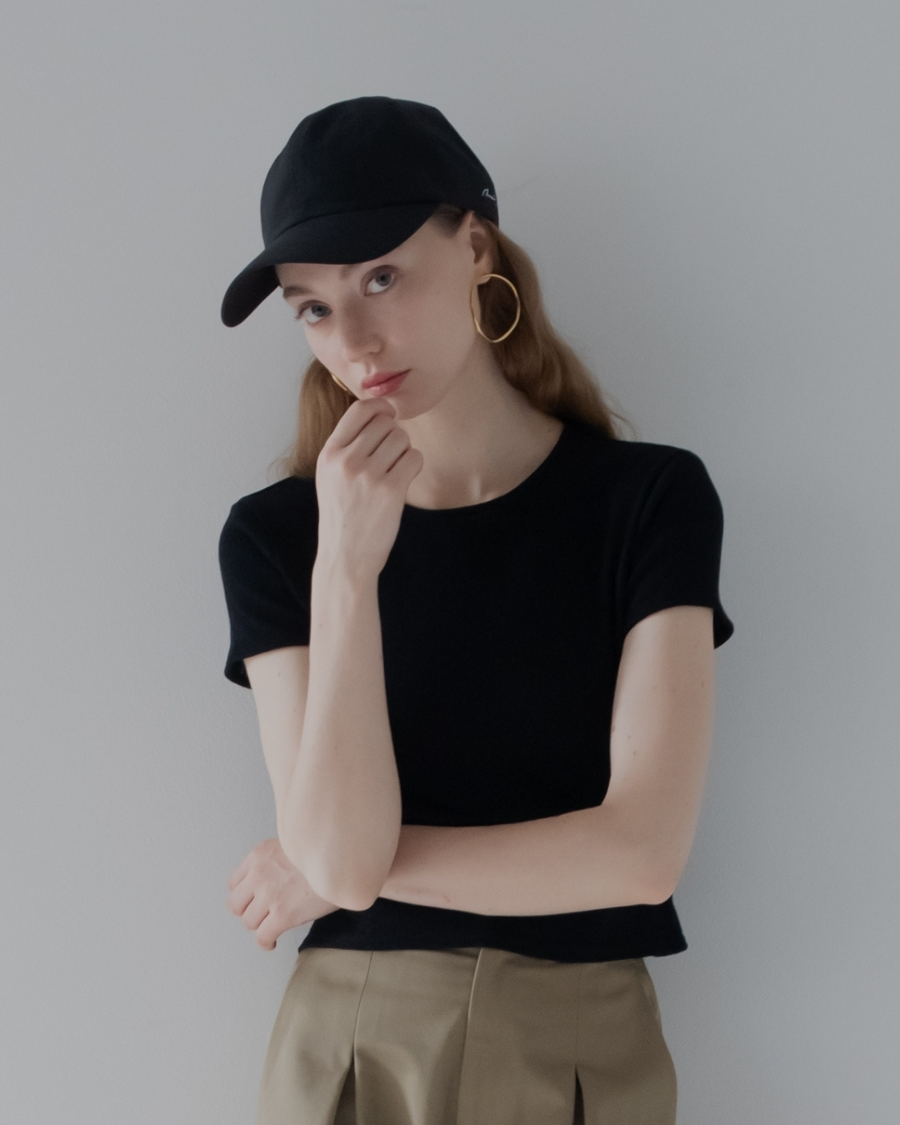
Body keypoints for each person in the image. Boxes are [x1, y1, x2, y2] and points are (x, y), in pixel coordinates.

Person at [218, 95, 735, 1125]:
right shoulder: (277, 537)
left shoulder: (648, 501)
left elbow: (641, 856)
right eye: (312, 307)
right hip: (355, 1046)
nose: (353, 339)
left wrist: (346, 874)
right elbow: (336, 851)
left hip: (580, 1045)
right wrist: (345, 571)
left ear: (477, 248)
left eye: (381, 277)